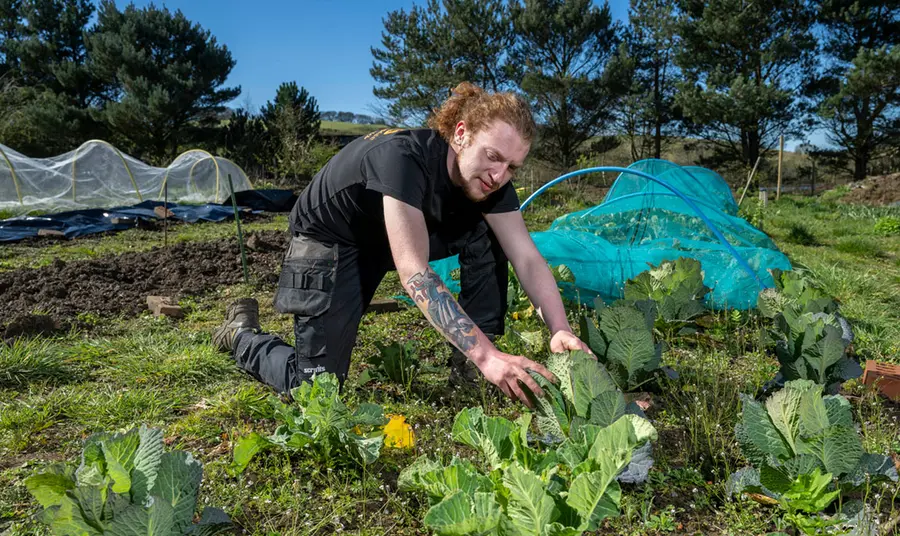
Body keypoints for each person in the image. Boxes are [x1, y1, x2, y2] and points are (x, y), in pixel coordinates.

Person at [213, 82, 591, 407]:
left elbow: (526, 257)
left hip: (396, 235)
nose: (498, 175)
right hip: (332, 240)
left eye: (512, 167)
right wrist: (487, 356)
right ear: (461, 134)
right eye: (493, 156)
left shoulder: (491, 182)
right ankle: (241, 335)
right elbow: (414, 271)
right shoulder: (403, 159)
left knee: (493, 230)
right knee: (314, 390)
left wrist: (560, 328)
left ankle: (471, 371)